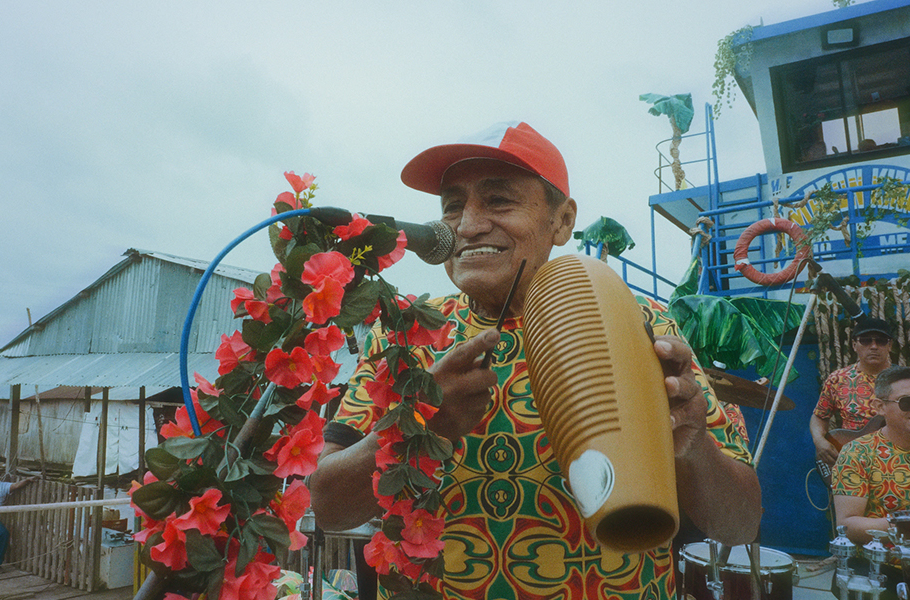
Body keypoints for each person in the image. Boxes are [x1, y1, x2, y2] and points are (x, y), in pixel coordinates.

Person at [309, 122, 761, 599]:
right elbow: (330, 506)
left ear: (562, 221)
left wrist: (692, 450)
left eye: (500, 201)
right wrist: (420, 430)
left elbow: (741, 524)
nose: (467, 225)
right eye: (453, 206)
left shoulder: (639, 322)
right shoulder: (406, 332)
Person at [831, 365, 910, 599]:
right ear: (880, 407)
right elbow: (848, 524)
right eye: (906, 402)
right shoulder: (858, 453)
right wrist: (905, 528)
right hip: (880, 569)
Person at [811, 318, 894, 468]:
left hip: (895, 462)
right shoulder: (838, 379)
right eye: (866, 341)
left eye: (881, 341)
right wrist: (819, 441)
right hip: (851, 462)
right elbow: (819, 416)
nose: (873, 346)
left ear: (890, 346)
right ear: (854, 345)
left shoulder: (904, 380)